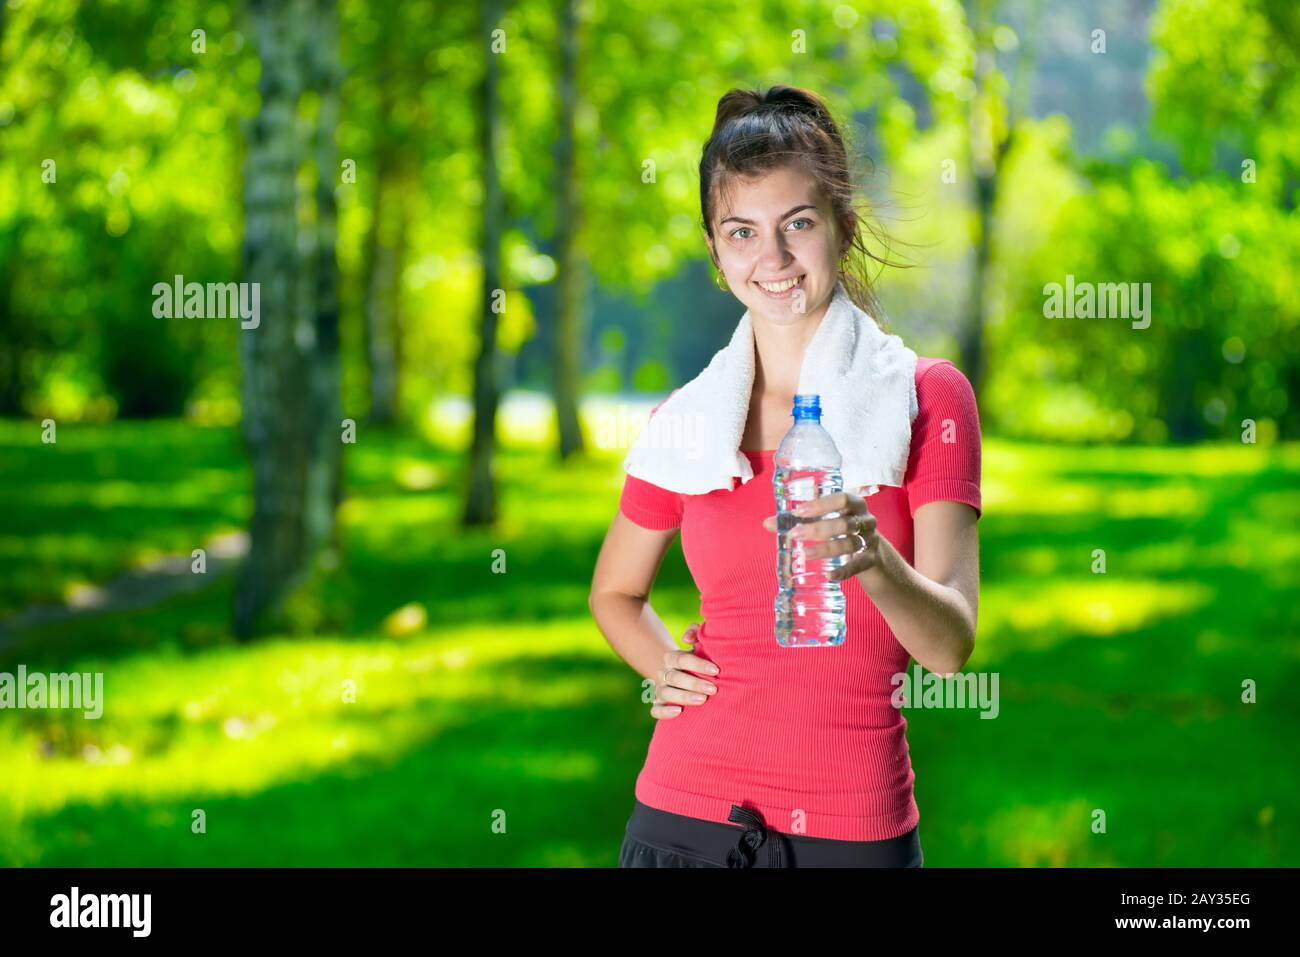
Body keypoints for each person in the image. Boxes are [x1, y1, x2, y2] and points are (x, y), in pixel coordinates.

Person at [589, 85, 982, 868]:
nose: (770, 259)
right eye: (742, 232)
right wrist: (664, 664)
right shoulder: (692, 416)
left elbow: (949, 646)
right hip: (682, 813)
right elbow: (613, 592)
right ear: (715, 249)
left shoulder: (927, 397)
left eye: (796, 223)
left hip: (851, 830)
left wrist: (875, 560)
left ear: (843, 225)